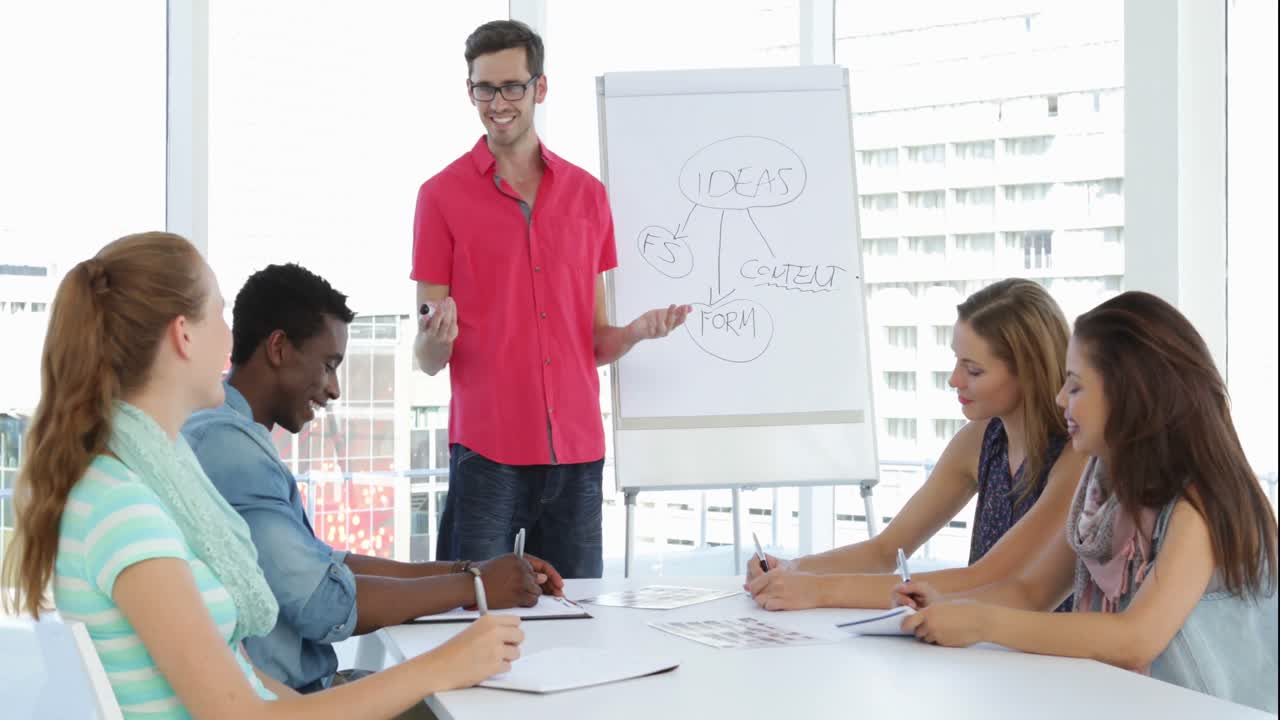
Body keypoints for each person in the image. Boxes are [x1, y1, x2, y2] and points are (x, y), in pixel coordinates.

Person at [1, 232, 522, 719]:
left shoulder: (144, 488)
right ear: (183, 334)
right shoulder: (128, 512)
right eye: (220, 313)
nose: (230, 335)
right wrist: (444, 664)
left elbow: (252, 688)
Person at [182, 262, 561, 695]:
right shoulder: (230, 450)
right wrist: (474, 586)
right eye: (328, 365)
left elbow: (325, 564)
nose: (334, 389)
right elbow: (323, 603)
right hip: (300, 699)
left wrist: (471, 569)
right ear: (279, 348)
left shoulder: (229, 433)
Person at [898, 291, 1278, 713]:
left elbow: (1137, 639)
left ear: (1130, 395)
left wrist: (983, 622)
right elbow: (1030, 592)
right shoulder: (1103, 486)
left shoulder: (1198, 503)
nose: (1061, 398)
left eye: (1075, 386)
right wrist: (948, 606)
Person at [412, 19, 691, 578]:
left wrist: (634, 332)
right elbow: (426, 360)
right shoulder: (439, 197)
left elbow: (593, 342)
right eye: (483, 88)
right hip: (487, 454)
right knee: (473, 614)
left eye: (511, 86)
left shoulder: (588, 197)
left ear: (540, 88)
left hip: (578, 456)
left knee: (580, 617)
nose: (497, 103)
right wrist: (432, 338)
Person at [746, 278, 1087, 610]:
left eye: (974, 370)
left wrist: (818, 590)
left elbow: (986, 577)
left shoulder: (1076, 457)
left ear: (1027, 371)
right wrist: (791, 570)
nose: (954, 380)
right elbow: (887, 550)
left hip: (1049, 660)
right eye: (956, 361)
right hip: (985, 650)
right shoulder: (979, 439)